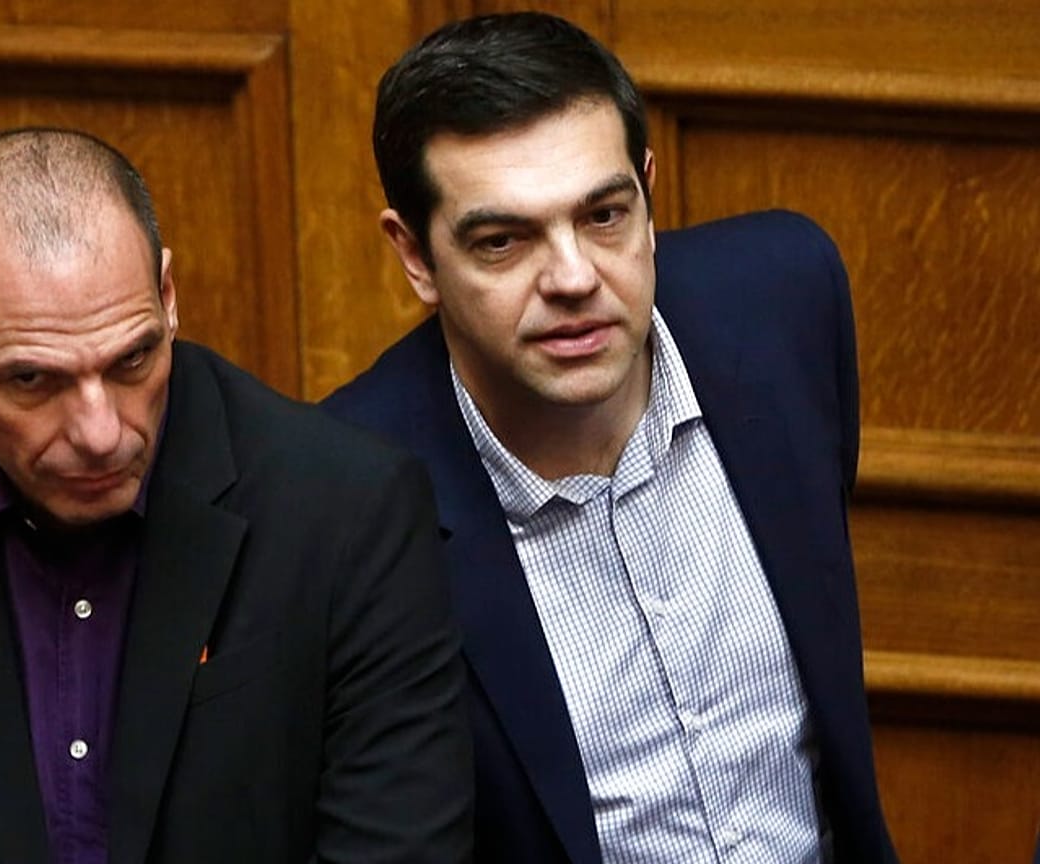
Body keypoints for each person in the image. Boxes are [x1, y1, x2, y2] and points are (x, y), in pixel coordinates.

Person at [0, 127, 473, 864]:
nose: (100, 432)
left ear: (167, 297)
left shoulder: (346, 508)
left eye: (133, 359)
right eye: (33, 379)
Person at [323, 12, 898, 864]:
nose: (573, 278)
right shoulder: (346, 493)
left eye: (603, 215)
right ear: (414, 256)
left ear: (648, 189)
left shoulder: (784, 303)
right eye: (502, 241)